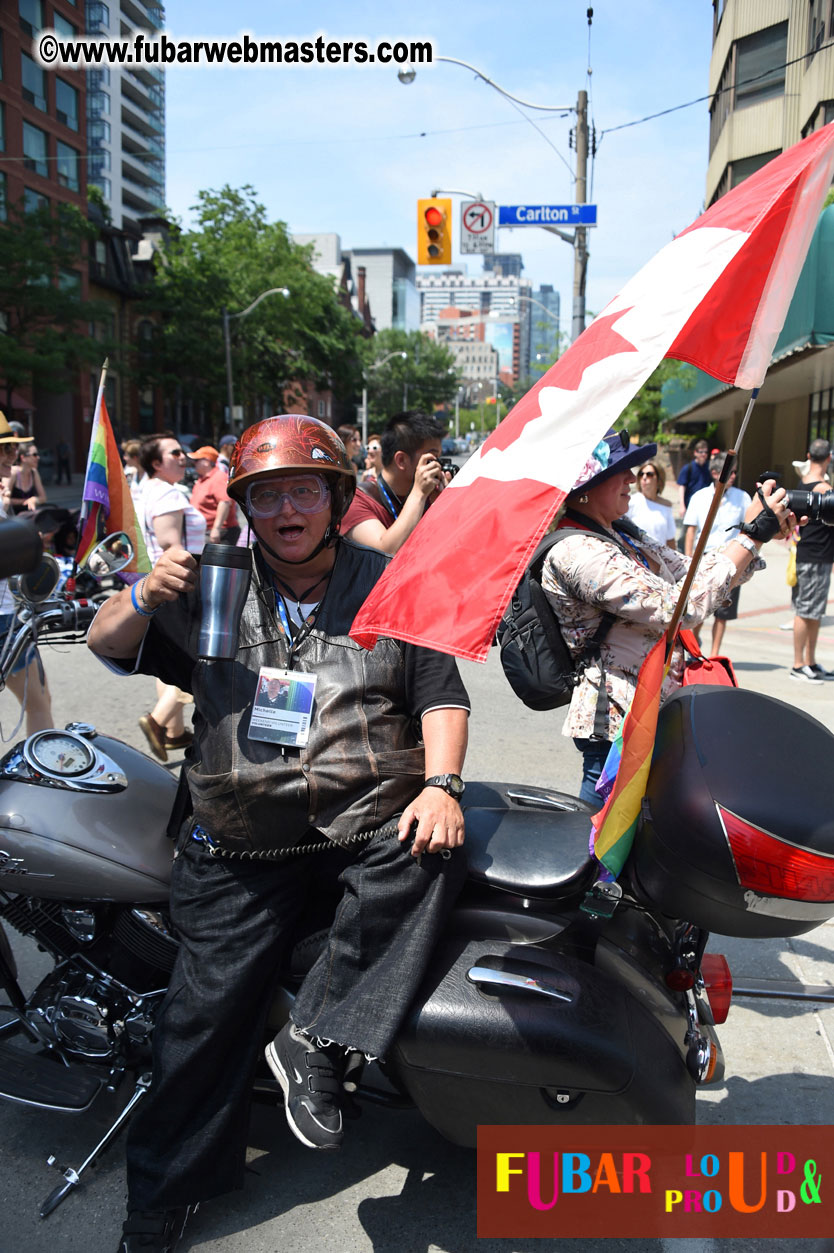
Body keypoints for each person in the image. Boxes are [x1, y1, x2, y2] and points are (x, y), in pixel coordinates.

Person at [87, 416, 469, 1253]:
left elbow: (441, 693)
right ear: (247, 508)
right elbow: (104, 643)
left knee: (433, 851)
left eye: (304, 489)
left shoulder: (390, 582)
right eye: (268, 495)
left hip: (362, 817)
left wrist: (442, 785)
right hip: (239, 834)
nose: (287, 508)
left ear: (336, 498)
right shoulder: (215, 582)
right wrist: (142, 592)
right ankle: (165, 1194)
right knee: (202, 1017)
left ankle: (316, 1039)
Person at [541, 428, 793, 806]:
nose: (631, 478)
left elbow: (696, 574)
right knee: (599, 847)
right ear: (585, 487)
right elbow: (681, 607)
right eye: (619, 471)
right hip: (618, 721)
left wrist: (756, 535)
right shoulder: (577, 551)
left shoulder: (621, 533)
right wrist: (750, 536)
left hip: (655, 708)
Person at [136, 435, 207, 760]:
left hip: (158, 587)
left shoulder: (145, 488)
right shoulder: (165, 493)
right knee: (195, 661)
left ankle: (175, 732)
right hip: (179, 588)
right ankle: (157, 721)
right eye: (175, 453)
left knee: (169, 661)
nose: (183, 457)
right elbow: (171, 548)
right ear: (156, 462)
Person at [0, 414, 54, 734]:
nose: (13, 457)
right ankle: (44, 777)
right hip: (3, 619)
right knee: (39, 703)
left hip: (7, 614)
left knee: (40, 700)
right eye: (6, 449)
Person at [342, 411, 447, 554]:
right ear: (401, 460)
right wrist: (419, 494)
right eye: (432, 457)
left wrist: (442, 504)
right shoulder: (357, 500)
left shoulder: (428, 497)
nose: (438, 465)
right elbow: (385, 551)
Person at [683, 453, 752, 655]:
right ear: (715, 473)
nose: (733, 476)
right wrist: (689, 562)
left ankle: (714, 653)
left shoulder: (742, 498)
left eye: (734, 473)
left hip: (732, 559)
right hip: (704, 559)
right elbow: (690, 531)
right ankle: (694, 648)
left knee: (723, 612)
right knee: (698, 608)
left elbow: (747, 528)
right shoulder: (700, 497)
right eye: (729, 473)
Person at [791, 437, 834, 683]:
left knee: (814, 611)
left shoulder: (805, 483)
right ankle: (798, 665)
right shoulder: (820, 488)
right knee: (805, 609)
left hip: (818, 554)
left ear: (809, 456)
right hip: (813, 555)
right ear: (828, 458)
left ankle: (810, 661)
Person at [627, 459, 675, 549]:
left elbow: (670, 540)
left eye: (649, 474)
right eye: (641, 474)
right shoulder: (631, 502)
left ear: (659, 480)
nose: (644, 477)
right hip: (638, 557)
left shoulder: (666, 506)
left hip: (661, 558)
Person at [3, 444, 47, 514]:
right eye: (34, 455)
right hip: (13, 518)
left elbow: (43, 498)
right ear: (23, 458)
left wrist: (34, 499)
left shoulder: (34, 472)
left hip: (28, 518)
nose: (38, 457)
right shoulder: (12, 473)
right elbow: (4, 499)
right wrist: (26, 501)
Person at [676, 438, 711, 520]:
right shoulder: (688, 468)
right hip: (690, 505)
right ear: (695, 453)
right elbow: (682, 487)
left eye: (705, 452)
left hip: (706, 505)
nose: (703, 454)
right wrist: (682, 506)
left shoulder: (710, 468)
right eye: (701, 452)